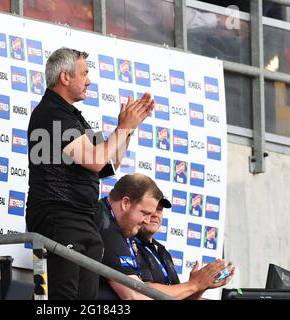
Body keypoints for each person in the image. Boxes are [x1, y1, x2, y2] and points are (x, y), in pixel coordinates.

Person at [26, 47, 154, 300]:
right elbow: (96, 160)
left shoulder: (75, 118)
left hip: (85, 220)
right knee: (62, 301)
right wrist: (122, 127)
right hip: (59, 218)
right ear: (65, 77)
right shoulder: (51, 112)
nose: (89, 80)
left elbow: (109, 164)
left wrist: (128, 130)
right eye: (84, 74)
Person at [97, 173, 234, 300]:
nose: (149, 218)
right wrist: (194, 284)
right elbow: (137, 293)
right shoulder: (107, 226)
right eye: (145, 212)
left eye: (159, 210)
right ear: (126, 203)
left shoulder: (161, 251)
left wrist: (198, 287)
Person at [135, 197, 235, 300]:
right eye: (151, 210)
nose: (155, 214)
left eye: (159, 210)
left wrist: (201, 287)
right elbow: (143, 291)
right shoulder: (129, 244)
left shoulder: (163, 252)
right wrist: (195, 284)